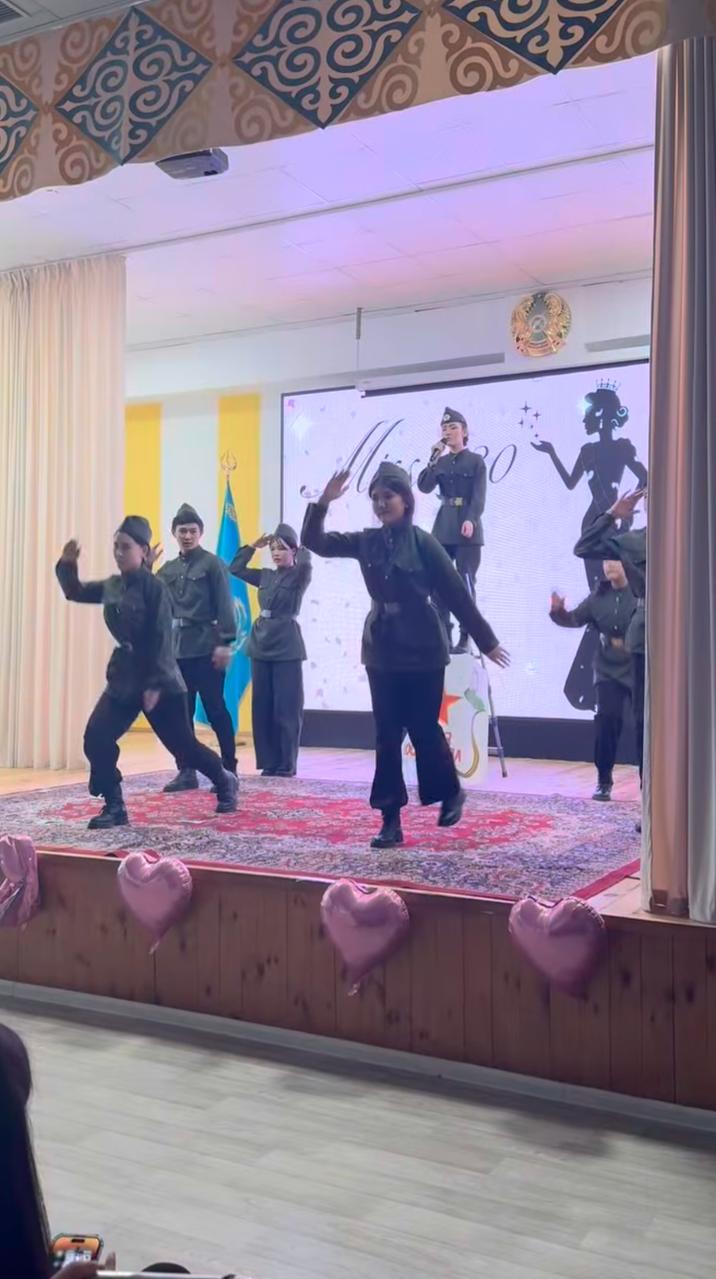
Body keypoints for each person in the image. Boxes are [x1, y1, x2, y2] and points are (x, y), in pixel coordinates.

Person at [302, 461, 509, 849]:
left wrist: (487, 641)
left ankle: (450, 792)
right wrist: (323, 503)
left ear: (406, 501)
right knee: (386, 734)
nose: (381, 504)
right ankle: (390, 820)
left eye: (388, 497)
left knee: (423, 727)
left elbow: (456, 594)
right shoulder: (366, 541)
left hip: (423, 648)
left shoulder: (424, 543)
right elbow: (317, 543)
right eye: (376, 498)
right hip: (381, 648)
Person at [55, 517, 239, 830]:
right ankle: (115, 806)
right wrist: (67, 563)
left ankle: (224, 779)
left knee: (184, 747)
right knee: (96, 737)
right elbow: (75, 591)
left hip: (161, 681)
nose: (118, 552)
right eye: (116, 546)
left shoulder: (156, 589)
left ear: (142, 550)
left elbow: (162, 639)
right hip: (125, 678)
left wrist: (154, 683)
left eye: (125, 547)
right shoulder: (115, 585)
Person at [532, 383, 648, 711]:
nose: (585, 420)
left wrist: (628, 505)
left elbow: (645, 476)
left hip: (614, 525)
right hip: (595, 526)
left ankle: (598, 685)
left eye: (588, 414)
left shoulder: (623, 448)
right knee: (602, 600)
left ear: (601, 415)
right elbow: (571, 482)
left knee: (618, 600)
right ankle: (594, 686)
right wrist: (552, 453)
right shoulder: (587, 450)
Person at [573, 488, 646, 828]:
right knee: (646, 726)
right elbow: (584, 547)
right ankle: (652, 805)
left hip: (692, 638)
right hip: (648, 642)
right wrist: (612, 515)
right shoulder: (638, 541)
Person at [154, 503, 238, 793]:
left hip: (207, 648)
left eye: (192, 531)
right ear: (174, 533)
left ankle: (229, 769)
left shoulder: (213, 564)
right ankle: (186, 771)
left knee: (215, 709)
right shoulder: (168, 569)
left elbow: (225, 604)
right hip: (177, 652)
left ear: (200, 533)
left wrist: (225, 643)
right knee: (181, 714)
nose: (187, 536)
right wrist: (145, 568)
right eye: (182, 531)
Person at [549, 561, 636, 801]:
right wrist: (558, 612)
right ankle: (603, 781)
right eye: (606, 561)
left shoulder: (641, 592)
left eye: (615, 560)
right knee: (606, 721)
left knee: (644, 724)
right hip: (608, 670)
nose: (609, 565)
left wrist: (630, 641)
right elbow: (574, 619)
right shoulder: (598, 597)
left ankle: (648, 782)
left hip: (638, 667)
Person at [230, 524, 311, 777]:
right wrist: (253, 547)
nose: (276, 553)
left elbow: (306, 564)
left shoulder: (299, 576)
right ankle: (269, 762)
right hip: (261, 644)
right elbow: (235, 568)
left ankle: (286, 763)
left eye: (282, 549)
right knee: (263, 705)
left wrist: (303, 548)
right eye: (273, 549)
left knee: (287, 706)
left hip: (286, 644)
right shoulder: (265, 576)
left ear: (294, 551)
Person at [417, 406, 487, 654]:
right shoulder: (442, 461)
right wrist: (433, 459)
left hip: (467, 529)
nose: (447, 432)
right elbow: (424, 486)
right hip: (443, 528)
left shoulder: (476, 461)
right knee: (438, 584)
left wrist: (471, 520)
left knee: (465, 583)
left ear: (464, 432)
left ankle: (466, 637)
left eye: (453, 427)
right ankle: (443, 636)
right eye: (444, 428)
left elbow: (479, 497)